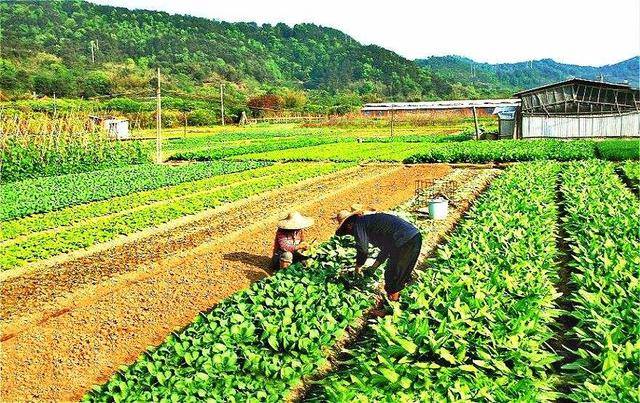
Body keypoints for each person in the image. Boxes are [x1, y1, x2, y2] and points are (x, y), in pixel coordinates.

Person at [335, 210, 422, 302]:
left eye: (348, 231)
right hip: (413, 238)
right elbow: (387, 248)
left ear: (349, 225)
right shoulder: (369, 222)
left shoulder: (358, 225)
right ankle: (397, 301)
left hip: (405, 241)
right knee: (396, 273)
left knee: (393, 277)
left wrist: (358, 267)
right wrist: (374, 267)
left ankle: (392, 308)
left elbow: (363, 250)